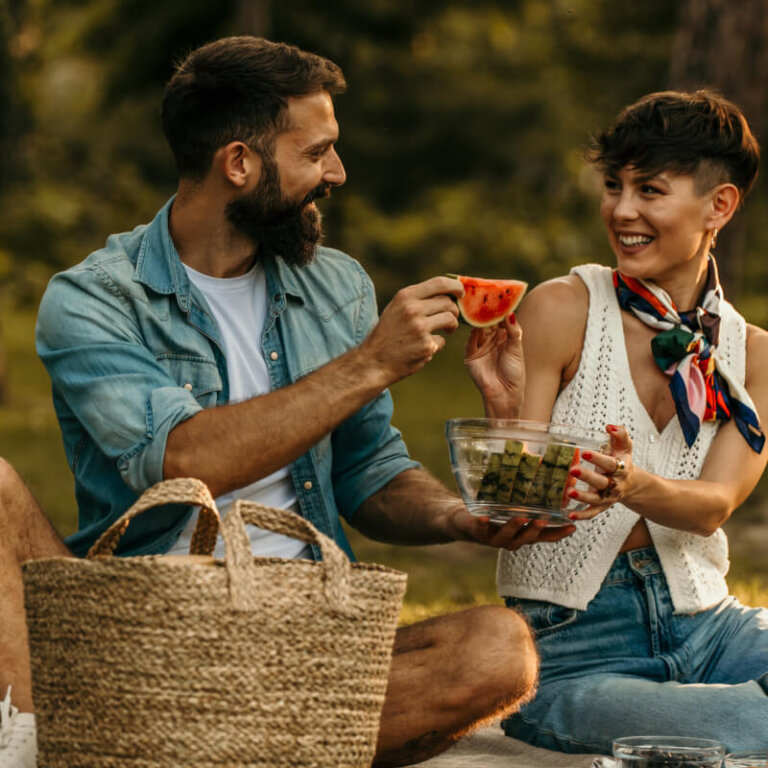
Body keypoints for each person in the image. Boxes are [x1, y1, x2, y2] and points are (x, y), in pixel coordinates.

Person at [0, 36, 569, 768]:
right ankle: (217, 734)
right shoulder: (94, 299)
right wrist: (369, 364)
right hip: (143, 631)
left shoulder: (337, 286)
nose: (337, 172)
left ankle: (156, 742)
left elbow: (367, 473)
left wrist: (458, 517)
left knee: (500, 651)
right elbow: (184, 460)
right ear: (238, 164)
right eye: (316, 152)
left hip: (303, 637)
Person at [466, 89, 768, 754]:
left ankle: (698, 715)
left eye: (650, 190)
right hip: (574, 650)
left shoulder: (755, 355)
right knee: (753, 725)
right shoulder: (564, 307)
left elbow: (714, 505)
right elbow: (517, 518)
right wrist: (503, 407)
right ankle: (713, 719)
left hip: (710, 629)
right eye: (613, 186)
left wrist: (633, 485)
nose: (622, 210)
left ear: (718, 205)